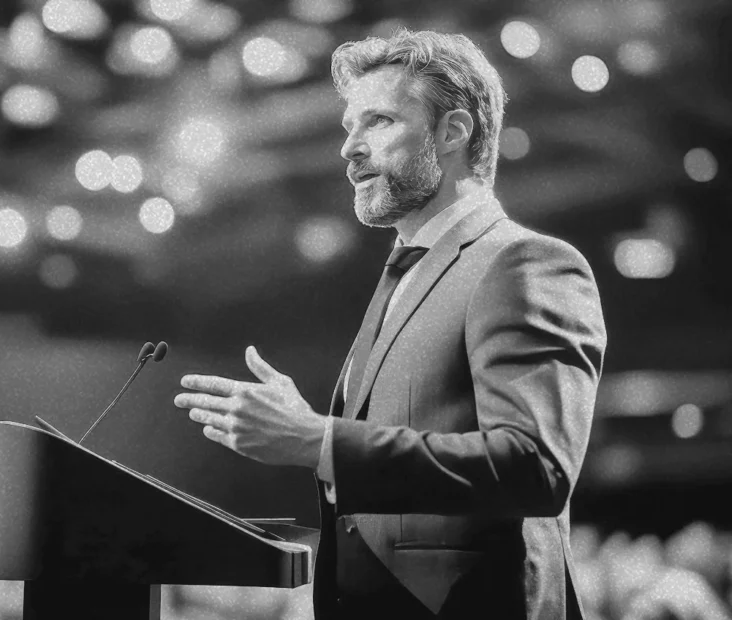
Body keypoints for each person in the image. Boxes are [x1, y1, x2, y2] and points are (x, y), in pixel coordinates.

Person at [174, 28, 607, 619]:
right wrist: (315, 432)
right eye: (348, 127)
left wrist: (318, 441)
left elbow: (535, 465)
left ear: (453, 132)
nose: (349, 148)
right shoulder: (405, 273)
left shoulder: (522, 262)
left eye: (377, 122)